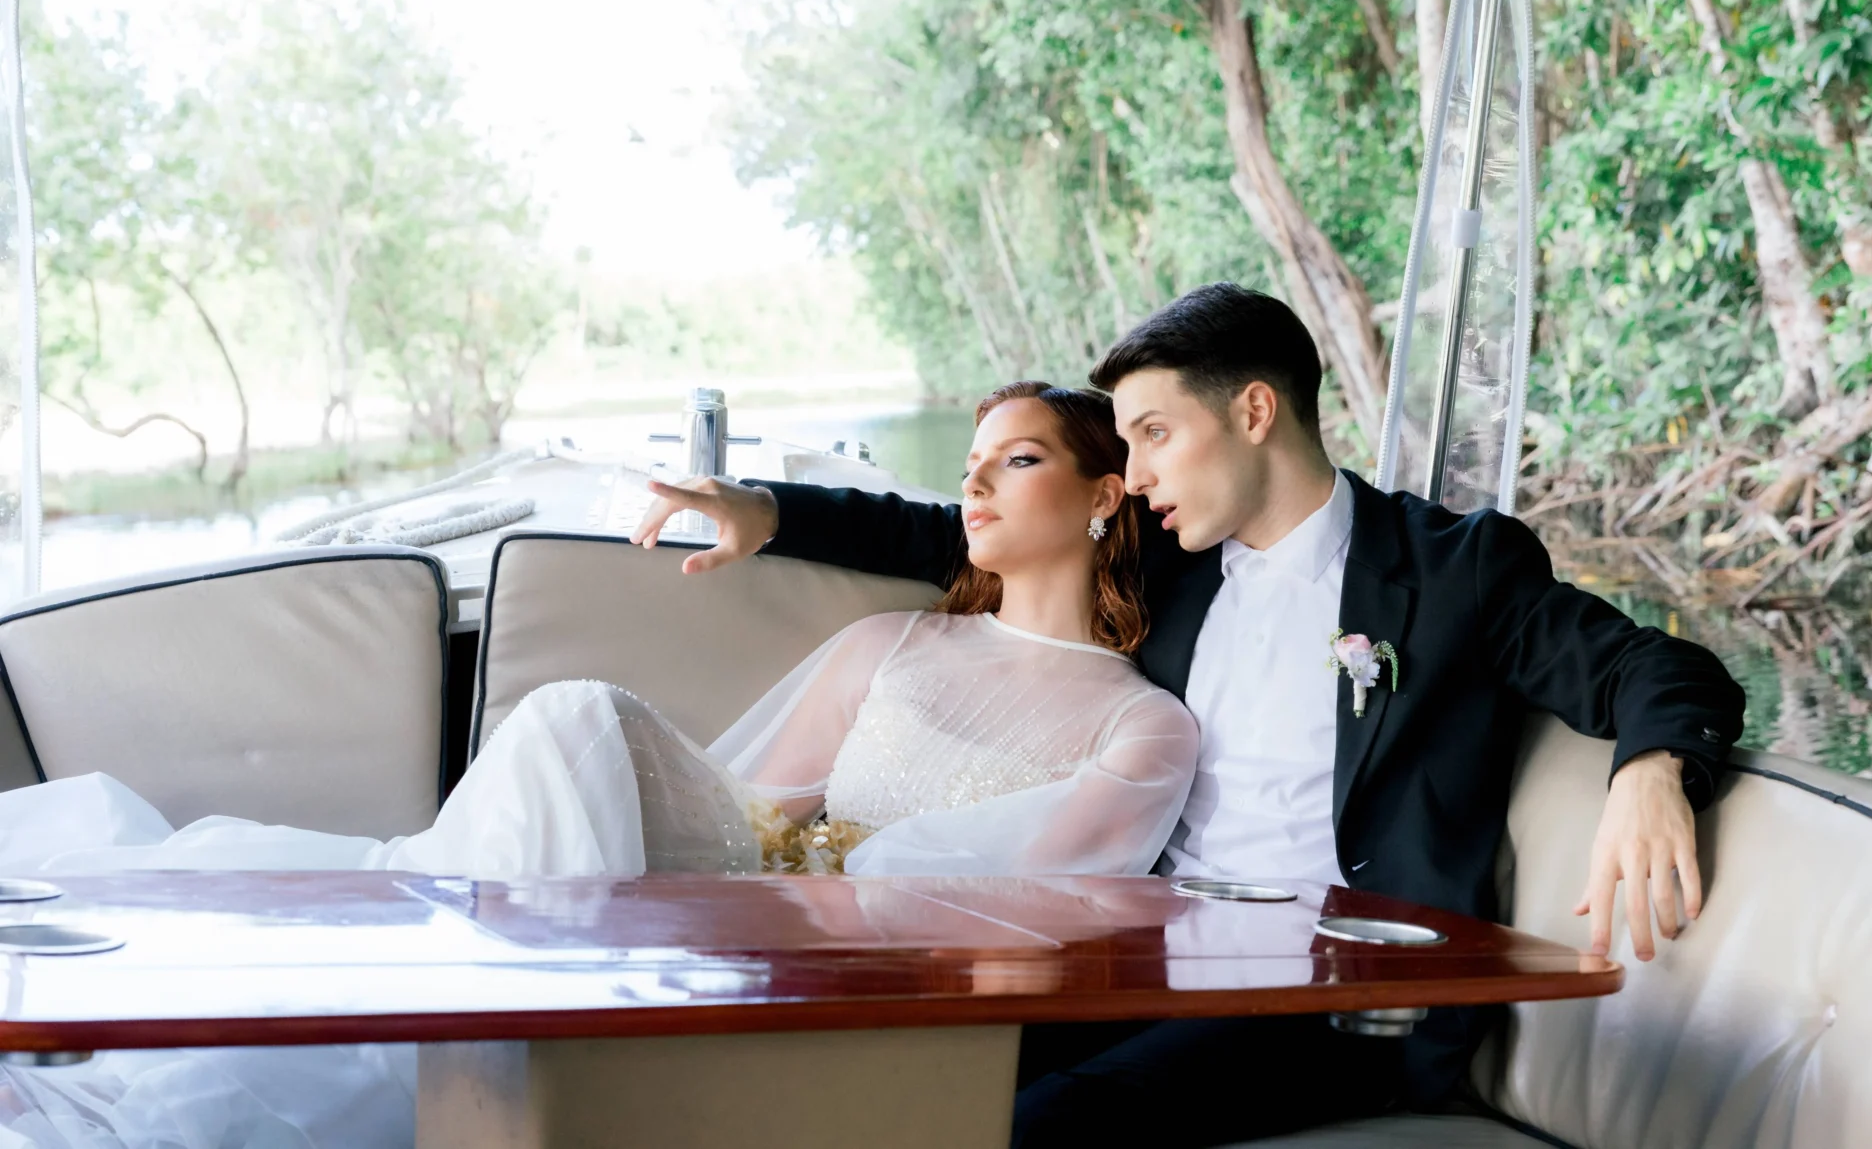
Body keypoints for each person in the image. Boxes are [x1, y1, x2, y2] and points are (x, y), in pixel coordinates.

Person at [634, 282, 1749, 1148]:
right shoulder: (1175, 563)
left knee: (1039, 1126)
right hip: (1140, 956)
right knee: (873, 1068)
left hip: (1337, 991)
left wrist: (1650, 770)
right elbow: (951, 531)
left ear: (1253, 410)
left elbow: (1654, 667)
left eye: (1154, 434)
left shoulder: (1454, 572)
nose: (1136, 469)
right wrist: (767, 508)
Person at [0, 381, 1197, 1149]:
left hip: (854, 958)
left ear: (1105, 495)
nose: (975, 482)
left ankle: (397, 995)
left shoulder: (1140, 727)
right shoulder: (892, 643)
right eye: (972, 460)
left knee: (574, 717)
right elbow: (746, 806)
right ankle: (407, 1008)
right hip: (730, 894)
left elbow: (1039, 909)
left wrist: (816, 895)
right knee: (571, 728)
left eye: (1017, 460)